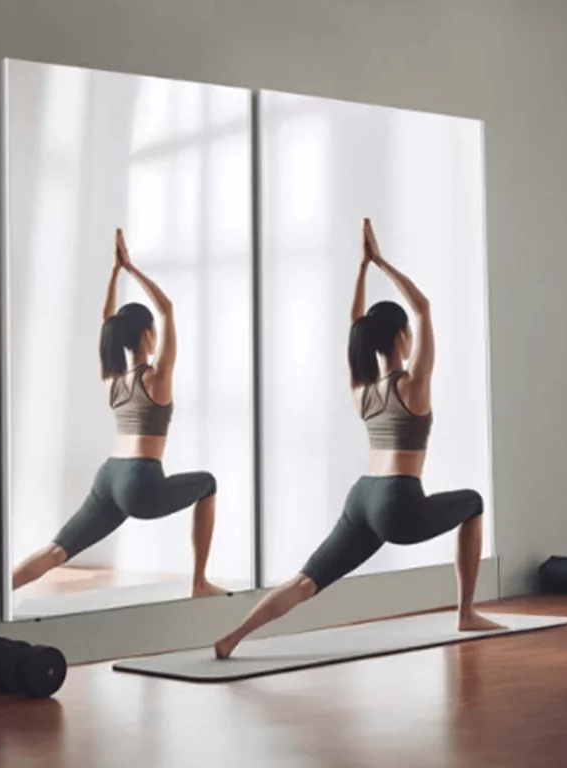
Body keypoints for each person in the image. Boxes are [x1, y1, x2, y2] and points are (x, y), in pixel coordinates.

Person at [214, 218, 502, 659]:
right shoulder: (413, 386)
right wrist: (380, 261)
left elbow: (355, 323)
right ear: (403, 337)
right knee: (474, 502)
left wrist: (361, 268)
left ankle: (232, 637)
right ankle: (465, 611)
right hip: (399, 503)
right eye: (408, 333)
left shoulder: (361, 390)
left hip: (362, 498)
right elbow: (423, 307)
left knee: (305, 581)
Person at [12, 229, 227, 598]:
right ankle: (199, 583)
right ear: (147, 335)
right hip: (141, 481)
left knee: (57, 550)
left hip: (109, 476)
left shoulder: (111, 380)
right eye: (154, 333)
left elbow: (106, 320)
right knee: (208, 483)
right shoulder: (156, 378)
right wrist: (130, 267)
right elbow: (167, 308)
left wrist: (115, 273)